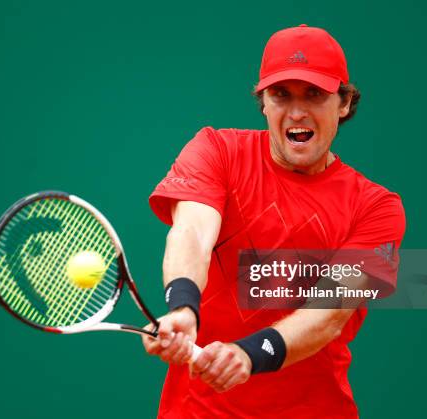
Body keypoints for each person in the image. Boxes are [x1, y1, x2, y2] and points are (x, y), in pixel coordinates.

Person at [142, 24, 406, 418]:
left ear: (344, 103)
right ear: (263, 102)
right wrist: (183, 307)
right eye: (281, 94)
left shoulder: (379, 208)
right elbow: (192, 233)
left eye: (315, 94)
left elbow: (331, 314)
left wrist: (248, 355)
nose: (297, 112)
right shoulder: (216, 150)